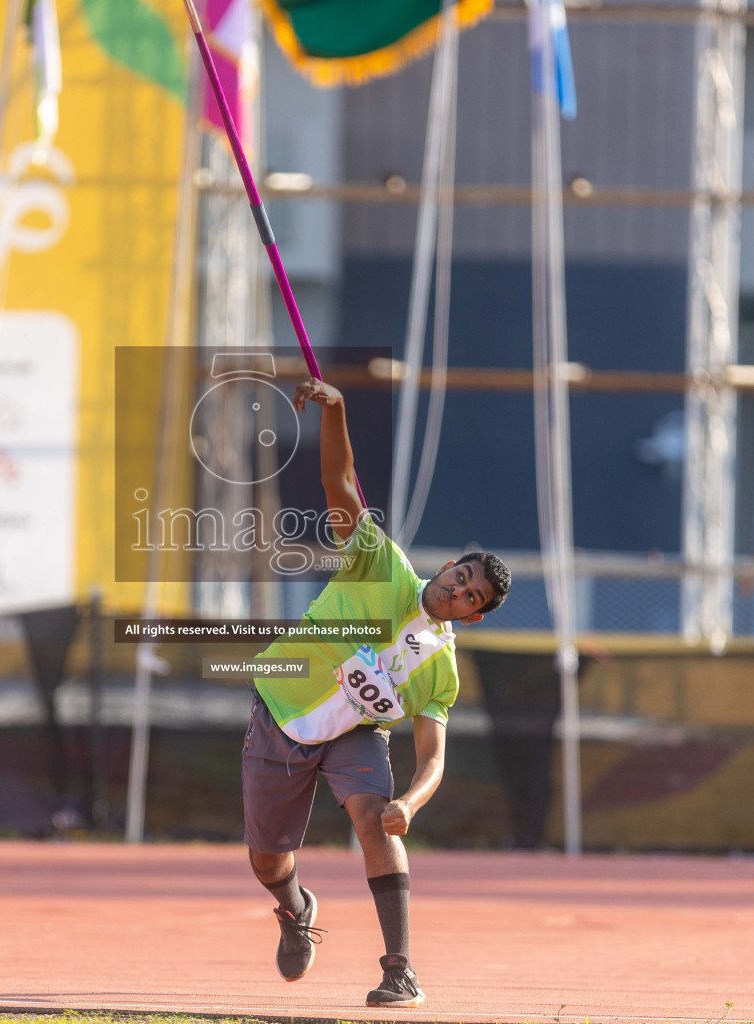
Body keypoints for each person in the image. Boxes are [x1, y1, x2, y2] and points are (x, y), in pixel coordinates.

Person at [243, 378, 511, 1007]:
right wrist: (335, 412)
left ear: (472, 617)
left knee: (374, 817)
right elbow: (341, 481)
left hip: (357, 733)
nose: (459, 592)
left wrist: (411, 805)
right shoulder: (379, 563)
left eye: (473, 598)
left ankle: (400, 970)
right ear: (446, 565)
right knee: (266, 861)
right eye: (461, 577)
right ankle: (295, 906)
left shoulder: (439, 667)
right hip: (284, 709)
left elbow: (434, 755)